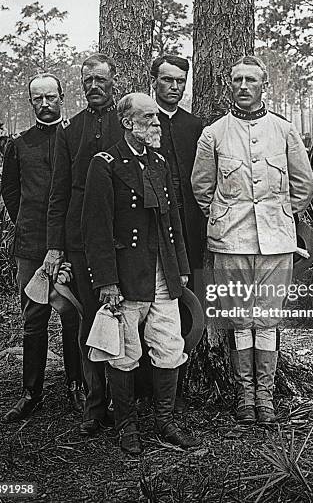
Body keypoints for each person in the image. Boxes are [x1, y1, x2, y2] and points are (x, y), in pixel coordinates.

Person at [191, 55, 313, 425]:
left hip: (277, 243)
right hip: (232, 240)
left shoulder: (284, 131)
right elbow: (201, 188)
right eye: (237, 80)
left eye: (251, 80)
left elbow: (304, 185)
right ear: (230, 85)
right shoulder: (214, 133)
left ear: (264, 86)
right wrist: (226, 217)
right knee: (239, 319)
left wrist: (278, 215)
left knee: (268, 318)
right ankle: (245, 395)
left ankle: (267, 394)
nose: (243, 86)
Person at [81, 92, 200, 454]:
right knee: (125, 353)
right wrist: (107, 282)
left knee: (168, 346)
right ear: (128, 122)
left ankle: (165, 421)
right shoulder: (105, 164)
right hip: (126, 275)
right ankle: (126, 426)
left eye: (156, 117)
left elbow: (172, 220)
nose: (156, 123)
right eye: (148, 117)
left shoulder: (159, 161)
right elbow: (95, 228)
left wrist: (180, 267)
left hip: (163, 273)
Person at [43, 53, 123, 436]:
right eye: (87, 80)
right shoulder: (69, 130)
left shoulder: (126, 123)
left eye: (100, 80)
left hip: (122, 239)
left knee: (126, 317)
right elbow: (58, 194)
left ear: (113, 81)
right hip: (79, 242)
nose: (93, 87)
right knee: (89, 319)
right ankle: (94, 405)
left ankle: (125, 402)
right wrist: (56, 247)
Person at [0, 73, 84, 422]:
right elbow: (10, 191)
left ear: (62, 96)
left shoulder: (75, 137)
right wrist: (31, 224)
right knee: (34, 318)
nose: (46, 103)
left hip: (71, 244)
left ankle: (76, 387)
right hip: (32, 246)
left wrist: (64, 238)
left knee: (71, 316)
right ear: (31, 102)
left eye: (51, 97)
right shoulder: (19, 145)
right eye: (38, 98)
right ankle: (31, 392)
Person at [150, 54, 205, 411]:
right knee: (157, 302)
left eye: (180, 82)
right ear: (154, 80)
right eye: (168, 80)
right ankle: (149, 383)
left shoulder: (194, 126)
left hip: (191, 227)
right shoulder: (143, 120)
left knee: (192, 301)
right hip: (154, 229)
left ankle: (184, 382)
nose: (174, 88)